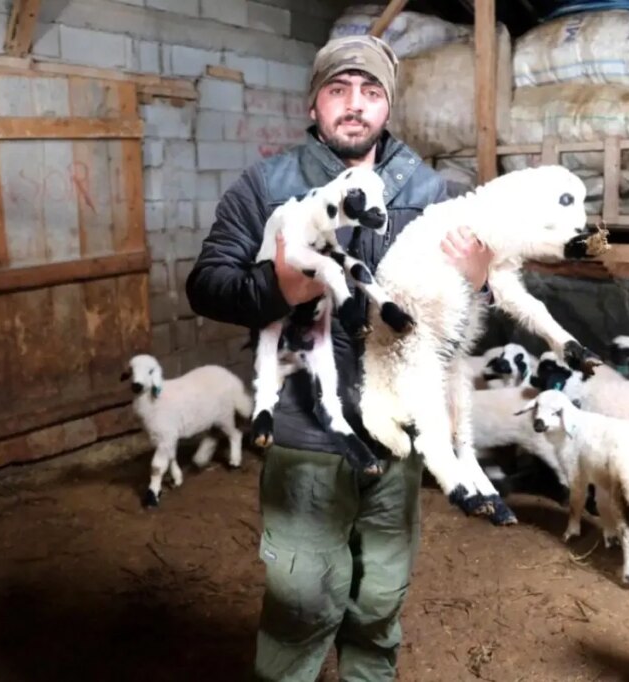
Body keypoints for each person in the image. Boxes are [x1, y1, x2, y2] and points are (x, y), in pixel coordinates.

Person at [185, 35, 493, 682]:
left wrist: (478, 278)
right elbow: (207, 282)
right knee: (303, 600)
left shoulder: (431, 190)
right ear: (314, 104)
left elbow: (457, 305)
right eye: (338, 90)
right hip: (305, 433)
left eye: (371, 92)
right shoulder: (267, 185)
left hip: (396, 429)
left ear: (388, 106)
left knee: (380, 598)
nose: (354, 106)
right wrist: (277, 288)